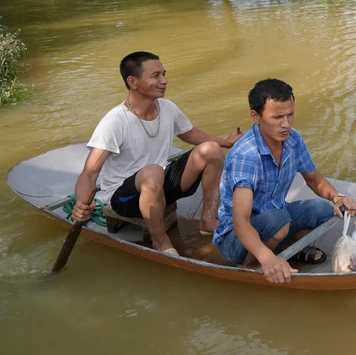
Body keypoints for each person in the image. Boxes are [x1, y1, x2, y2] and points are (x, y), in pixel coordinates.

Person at [71, 51, 243, 254]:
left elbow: (190, 134)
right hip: (125, 197)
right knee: (152, 172)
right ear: (133, 82)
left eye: (164, 74)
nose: (164, 81)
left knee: (211, 150)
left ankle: (207, 220)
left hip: (160, 183)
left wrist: (226, 142)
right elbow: (90, 173)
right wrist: (81, 204)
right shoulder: (114, 122)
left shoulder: (168, 108)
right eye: (156, 76)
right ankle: (160, 241)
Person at [213, 79, 356, 284]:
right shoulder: (246, 155)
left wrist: (338, 197)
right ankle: (251, 266)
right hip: (236, 239)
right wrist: (266, 259)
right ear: (256, 117)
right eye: (277, 117)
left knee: (322, 209)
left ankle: (282, 248)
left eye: (290, 114)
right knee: (278, 221)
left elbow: (314, 179)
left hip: (277, 218)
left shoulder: (293, 139)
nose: (286, 124)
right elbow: (240, 222)